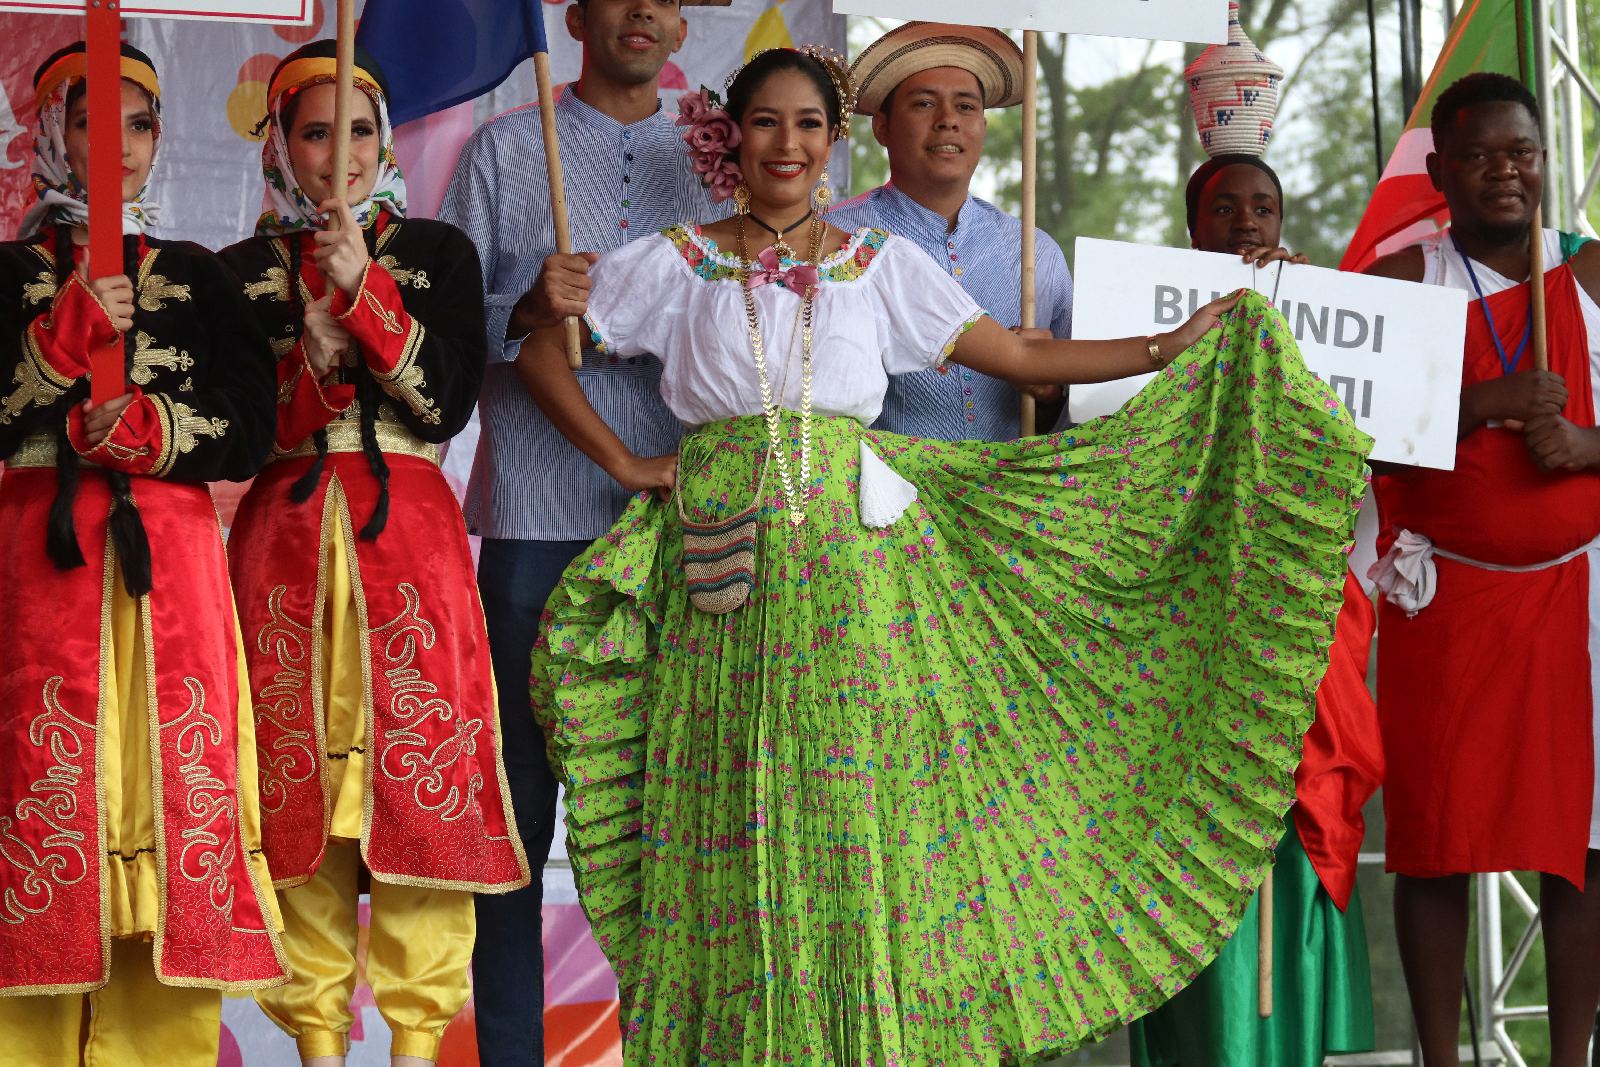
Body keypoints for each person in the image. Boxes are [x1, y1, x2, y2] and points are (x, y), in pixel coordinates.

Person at [520, 46, 1370, 1064]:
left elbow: (1017, 356)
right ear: (727, 139)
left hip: (849, 574)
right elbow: (540, 346)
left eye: (805, 125)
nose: (785, 144)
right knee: (725, 800)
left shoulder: (876, 264)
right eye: (764, 123)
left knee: (845, 807)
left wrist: (1165, 347)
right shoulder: (676, 260)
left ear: (832, 143)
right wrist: (622, 451)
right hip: (719, 568)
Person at [220, 41, 528, 1067]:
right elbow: (238, 438)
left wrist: (366, 296)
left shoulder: (438, 252)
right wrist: (304, 360)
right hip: (283, 541)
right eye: (316, 131)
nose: (341, 154)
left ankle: (415, 1042)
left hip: (410, 538)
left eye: (359, 130)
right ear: (282, 145)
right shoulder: (237, 274)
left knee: (419, 792)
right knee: (293, 793)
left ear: (386, 141)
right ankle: (314, 1043)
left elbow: (443, 399)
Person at [436, 0, 724, 1059]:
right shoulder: (510, 149)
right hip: (537, 525)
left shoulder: (722, 155)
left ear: (683, 23)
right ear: (576, 15)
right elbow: (436, 338)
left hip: (686, 529)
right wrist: (521, 302)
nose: (642, 11)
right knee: (518, 814)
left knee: (687, 816)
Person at [0, 41, 285, 1066]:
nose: (117, 146)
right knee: (46, 788)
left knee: (173, 796)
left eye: (140, 122)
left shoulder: (198, 276)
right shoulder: (9, 273)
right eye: (92, 121)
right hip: (40, 561)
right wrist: (51, 349)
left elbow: (252, 428)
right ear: (51, 134)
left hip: (170, 566)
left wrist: (153, 433)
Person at [1364, 71, 1600, 1067]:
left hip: (1573, 594)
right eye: (1479, 155)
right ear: (1442, 170)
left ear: (1545, 166)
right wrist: (1481, 402)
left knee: (1580, 845)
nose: (1504, 171)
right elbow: (1349, 434)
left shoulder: (1588, 277)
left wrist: (1587, 447)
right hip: (1444, 595)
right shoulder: (1401, 283)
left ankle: (1570, 1055)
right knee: (1434, 835)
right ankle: (1438, 1055)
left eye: (1521, 153)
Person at [1126, 151, 1382, 1067]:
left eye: (1263, 206)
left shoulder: (1341, 322)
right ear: (1191, 227)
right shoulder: (1150, 321)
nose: (1245, 223)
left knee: (1292, 812)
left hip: (1302, 627)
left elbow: (1383, 453)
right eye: (1223, 207)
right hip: (1190, 630)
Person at [830, 21, 1073, 439]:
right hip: (879, 496)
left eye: (965, 106)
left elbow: (1079, 414)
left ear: (983, 126)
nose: (948, 121)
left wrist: (1052, 391)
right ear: (881, 127)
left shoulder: (1036, 254)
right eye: (924, 104)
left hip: (1007, 496)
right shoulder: (831, 239)